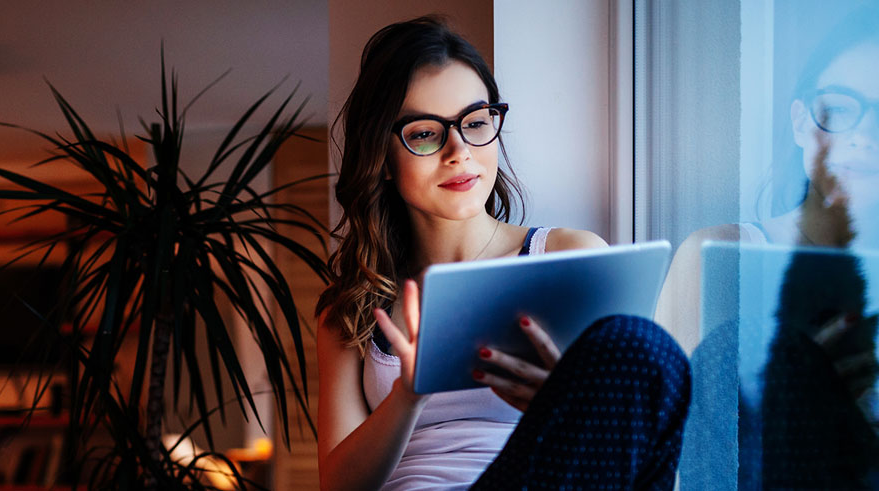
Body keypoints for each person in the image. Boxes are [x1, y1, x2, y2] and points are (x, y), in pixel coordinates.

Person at [315, 17, 690, 490]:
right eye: (425, 133)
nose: (459, 151)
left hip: (539, 479)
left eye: (475, 123)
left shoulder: (568, 257)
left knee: (647, 348)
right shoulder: (352, 306)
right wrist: (407, 396)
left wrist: (564, 407)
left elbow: (639, 446)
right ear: (382, 158)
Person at [664, 7, 879, 489]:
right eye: (840, 109)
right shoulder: (721, 258)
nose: (863, 137)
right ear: (802, 123)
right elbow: (667, 450)